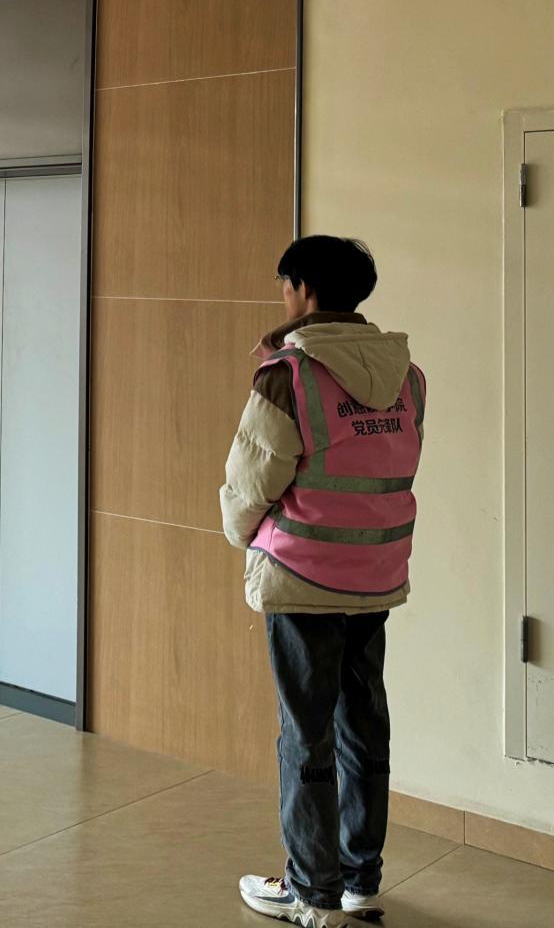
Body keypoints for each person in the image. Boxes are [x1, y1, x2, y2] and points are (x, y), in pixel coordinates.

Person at [221, 237, 426, 928]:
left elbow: (249, 484)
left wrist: (243, 534)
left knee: (305, 734)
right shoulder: (408, 377)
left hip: (303, 575)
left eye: (285, 285)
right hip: (376, 572)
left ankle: (311, 892)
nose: (282, 296)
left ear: (304, 289)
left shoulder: (288, 377)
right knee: (363, 725)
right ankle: (359, 882)